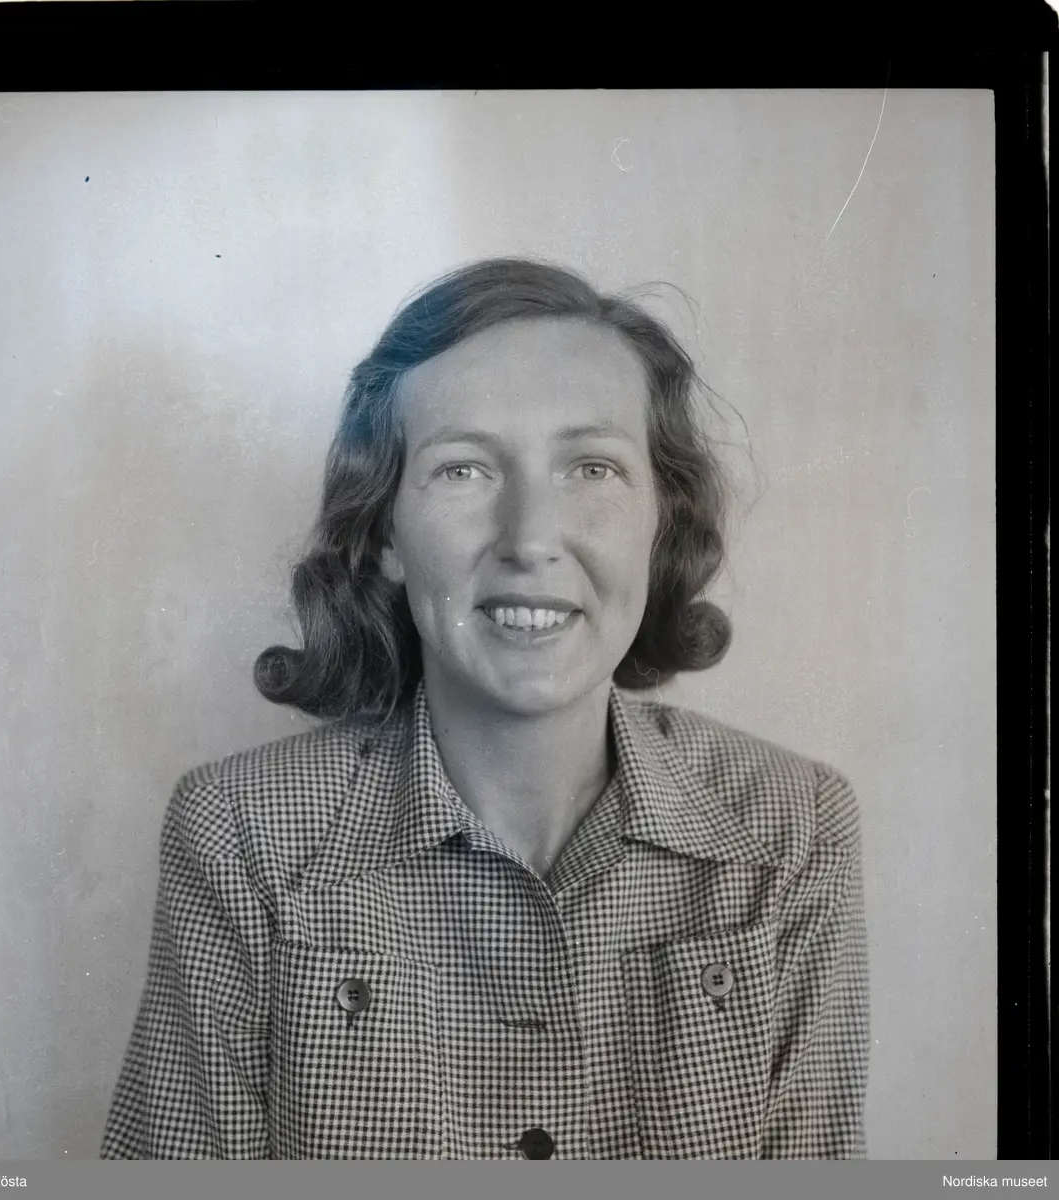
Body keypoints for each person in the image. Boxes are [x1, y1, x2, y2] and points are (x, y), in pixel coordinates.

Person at [100, 258, 869, 1160]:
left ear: (661, 522)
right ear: (385, 534)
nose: (531, 539)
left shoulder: (793, 827)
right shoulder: (239, 833)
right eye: (462, 469)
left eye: (592, 467)